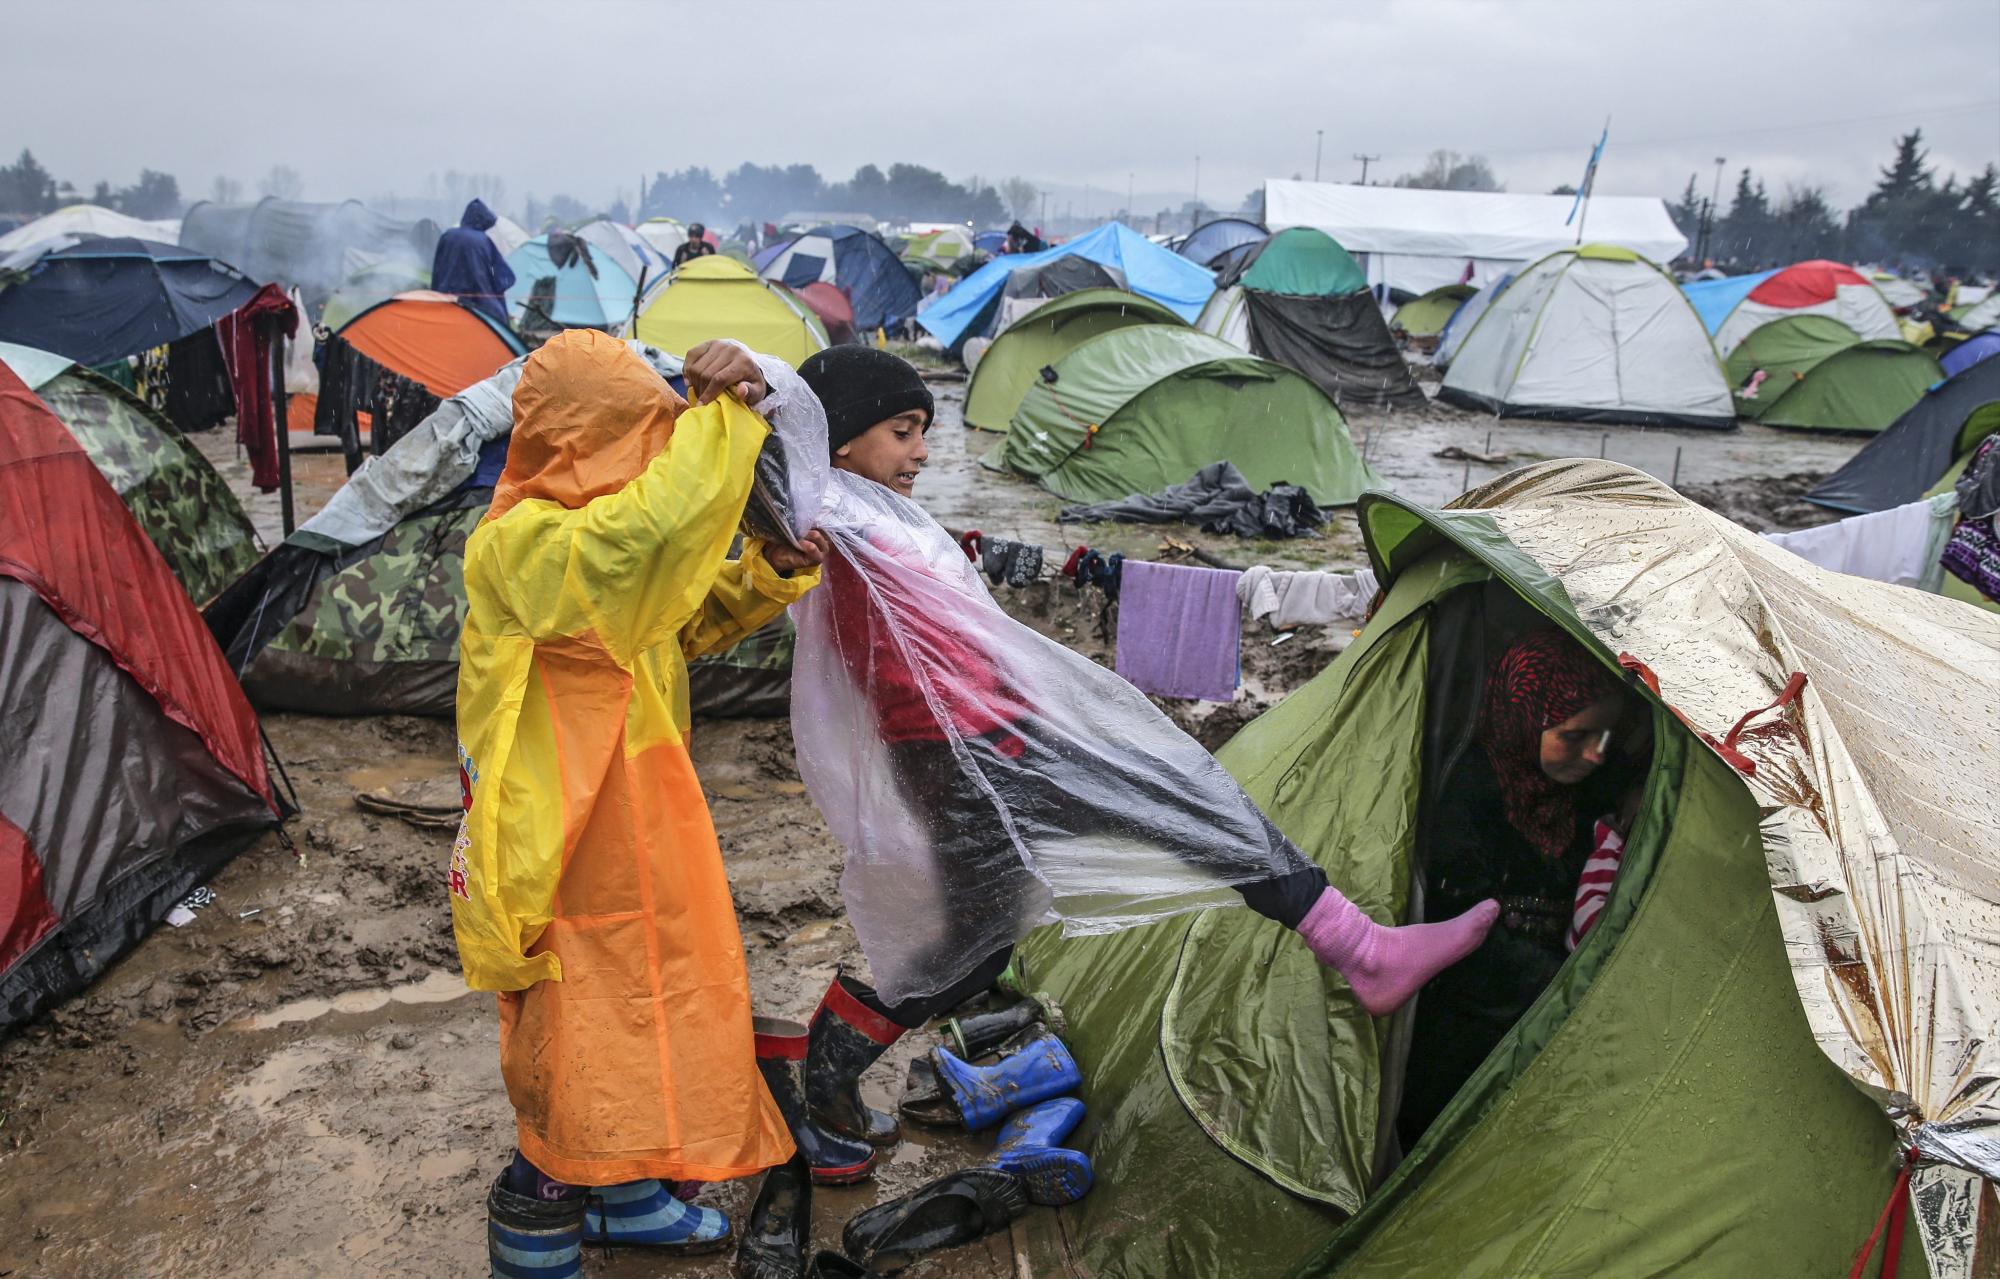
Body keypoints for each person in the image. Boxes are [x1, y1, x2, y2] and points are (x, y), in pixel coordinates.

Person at [781, 346, 1499, 1171]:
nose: (924, 452)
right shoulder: (822, 515)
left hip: (992, 737)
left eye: (924, 432)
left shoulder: (882, 513)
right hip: (966, 753)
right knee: (1163, 813)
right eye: (903, 431)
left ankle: (825, 1065)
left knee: (994, 929)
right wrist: (755, 373)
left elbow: (987, 592)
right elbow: (770, 446)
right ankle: (1363, 950)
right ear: (834, 438)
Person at [453, 329, 827, 1278]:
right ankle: (532, 1219)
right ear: (587, 440)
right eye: (643, 435)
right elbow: (643, 547)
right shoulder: (520, 546)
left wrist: (768, 567)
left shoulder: (611, 555)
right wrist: (727, 417)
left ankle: (624, 1196)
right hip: (563, 850)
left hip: (643, 833)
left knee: (650, 1011)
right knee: (576, 1035)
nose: (659, 453)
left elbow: (679, 612)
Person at [1396, 630, 1642, 1145]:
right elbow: (1454, 923)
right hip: (1470, 1024)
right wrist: (1562, 988)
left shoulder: (1602, 789)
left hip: (1560, 1026)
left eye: (1605, 737)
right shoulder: (1467, 795)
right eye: (1575, 736)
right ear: (1525, 718)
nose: (1595, 755)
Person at [430, 198, 517, 325]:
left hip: (445, 299)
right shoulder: (482, 241)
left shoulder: (448, 236)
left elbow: (437, 269)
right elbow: (501, 275)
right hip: (479, 302)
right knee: (498, 319)